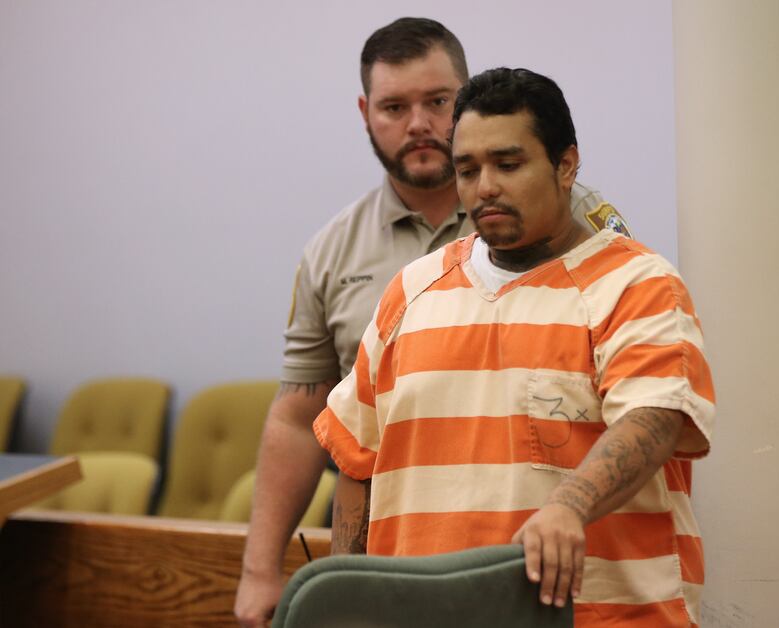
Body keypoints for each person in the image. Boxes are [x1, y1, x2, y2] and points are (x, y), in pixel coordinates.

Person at [235, 17, 627, 627]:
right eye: (394, 105)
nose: (418, 123)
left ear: (466, 98)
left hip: (545, 566)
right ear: (366, 112)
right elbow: (297, 418)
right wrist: (260, 571)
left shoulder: (570, 219)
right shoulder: (332, 251)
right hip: (404, 562)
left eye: (437, 101)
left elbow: (638, 386)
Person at [313, 67, 714, 627]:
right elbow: (357, 459)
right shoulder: (411, 290)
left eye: (508, 164)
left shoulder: (636, 284)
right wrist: (347, 598)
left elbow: (655, 419)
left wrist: (569, 506)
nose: (485, 187)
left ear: (566, 165)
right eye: (467, 170)